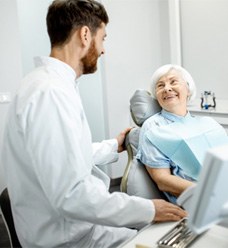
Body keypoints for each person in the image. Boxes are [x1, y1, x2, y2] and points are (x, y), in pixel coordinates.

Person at [1, 1, 187, 248]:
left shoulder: (42, 84)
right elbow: (72, 194)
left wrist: (113, 146)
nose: (103, 50)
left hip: (77, 228)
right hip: (67, 239)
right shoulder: (50, 94)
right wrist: (148, 209)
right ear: (85, 34)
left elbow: (62, 158)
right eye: (104, 38)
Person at [136, 64, 228, 204]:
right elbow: (162, 180)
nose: (167, 88)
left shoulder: (208, 123)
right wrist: (209, 193)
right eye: (160, 86)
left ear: (188, 89)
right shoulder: (153, 127)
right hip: (200, 200)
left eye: (173, 82)